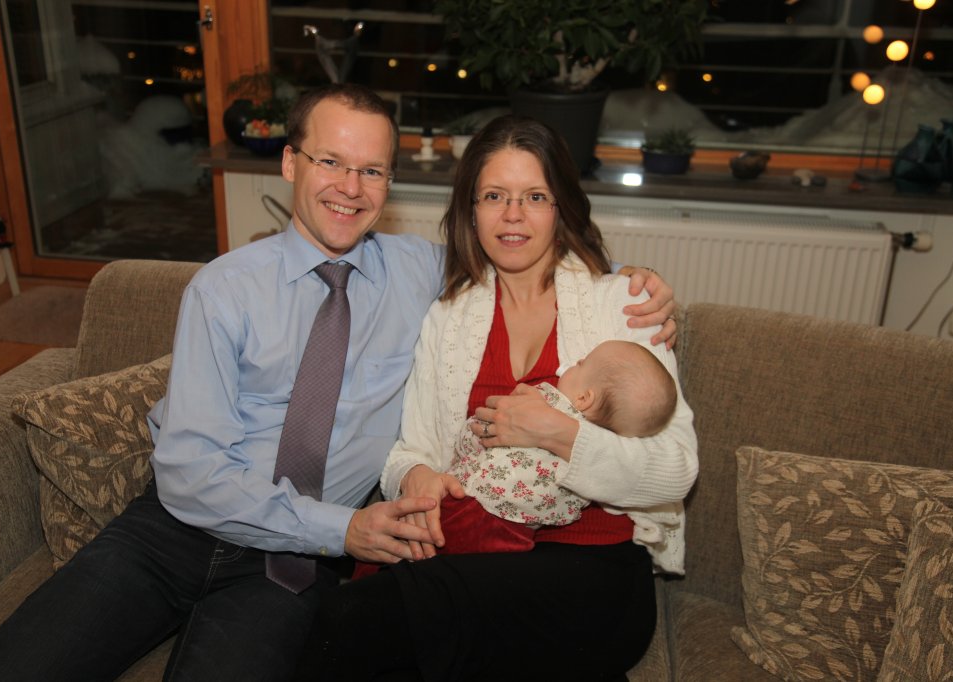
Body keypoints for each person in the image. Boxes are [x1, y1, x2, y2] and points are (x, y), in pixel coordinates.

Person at [0, 87, 676, 682]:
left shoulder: (424, 274)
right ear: (289, 162)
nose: (350, 187)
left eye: (372, 170)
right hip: (170, 534)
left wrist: (632, 282)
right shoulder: (224, 289)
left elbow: (517, 244)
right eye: (330, 161)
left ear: (389, 184)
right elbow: (189, 472)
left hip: (288, 567)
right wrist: (346, 530)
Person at [294, 114, 698, 682]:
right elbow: (409, 451)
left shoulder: (623, 305)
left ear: (561, 207)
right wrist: (416, 477)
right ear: (470, 210)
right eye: (493, 196)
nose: (513, 215)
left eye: (534, 196)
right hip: (475, 552)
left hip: (592, 568)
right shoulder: (447, 316)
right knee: (376, 630)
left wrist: (560, 434)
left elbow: (677, 471)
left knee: (355, 617)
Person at [436, 339, 678, 555]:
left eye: (583, 363)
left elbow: (477, 433)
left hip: (469, 500)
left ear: (584, 398)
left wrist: (464, 442)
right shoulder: (590, 473)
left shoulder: (544, 400)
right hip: (516, 532)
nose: (578, 361)